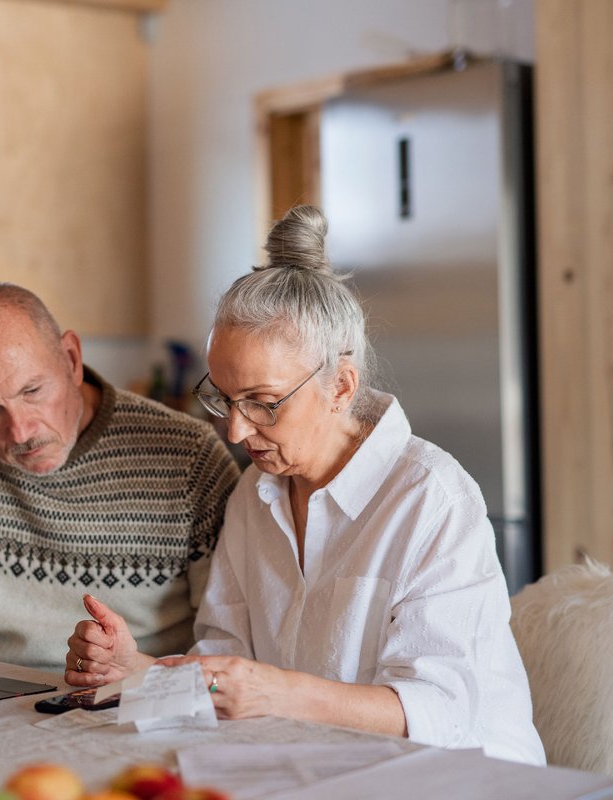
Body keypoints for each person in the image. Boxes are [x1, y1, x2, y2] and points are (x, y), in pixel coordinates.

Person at [64, 206, 545, 765]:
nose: (238, 430)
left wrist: (280, 693)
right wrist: (138, 672)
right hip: (317, 767)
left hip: (463, 780)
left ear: (340, 386)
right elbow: (226, 669)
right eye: (223, 397)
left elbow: (441, 711)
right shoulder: (256, 494)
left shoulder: (431, 498)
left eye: (264, 404)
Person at [0, 282, 241, 672]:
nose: (21, 432)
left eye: (32, 391)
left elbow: (232, 648)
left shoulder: (189, 455)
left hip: (138, 702)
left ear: (72, 359)